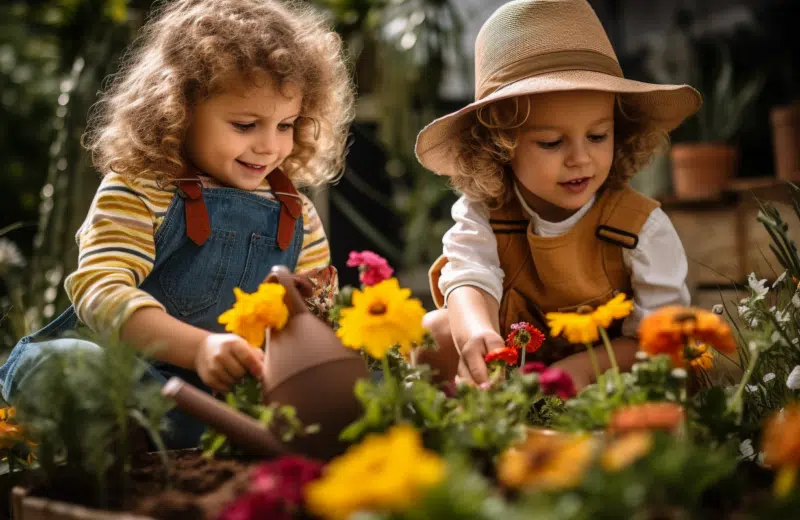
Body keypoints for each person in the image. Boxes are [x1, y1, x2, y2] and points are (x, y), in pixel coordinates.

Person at [0, 0, 354, 448]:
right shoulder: (139, 190)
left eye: (286, 125)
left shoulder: (296, 212)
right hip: (126, 378)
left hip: (222, 398)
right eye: (245, 124)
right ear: (178, 110)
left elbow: (317, 322)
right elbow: (100, 290)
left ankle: (198, 436)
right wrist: (199, 349)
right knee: (62, 366)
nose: (270, 146)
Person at [416, 0, 700, 390]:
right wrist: (476, 334)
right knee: (437, 331)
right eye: (551, 142)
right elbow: (468, 276)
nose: (580, 159)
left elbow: (659, 336)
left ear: (621, 131)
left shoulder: (640, 226)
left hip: (609, 377)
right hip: (511, 368)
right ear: (500, 144)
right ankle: (463, 436)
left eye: (598, 136)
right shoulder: (485, 212)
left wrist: (583, 369)